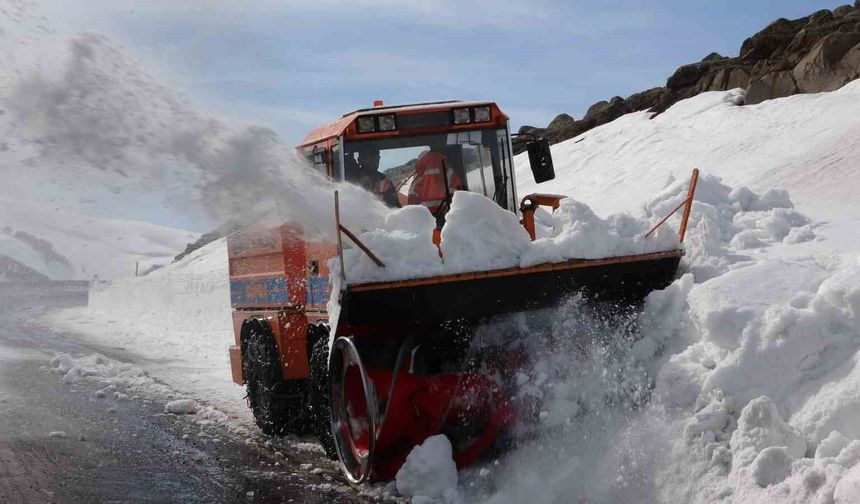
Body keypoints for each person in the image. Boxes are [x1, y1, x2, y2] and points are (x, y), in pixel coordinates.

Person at [407, 141, 462, 215]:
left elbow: (411, 204)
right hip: (448, 215)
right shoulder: (448, 170)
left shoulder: (418, 178)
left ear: (421, 161)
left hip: (427, 219)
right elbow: (458, 190)